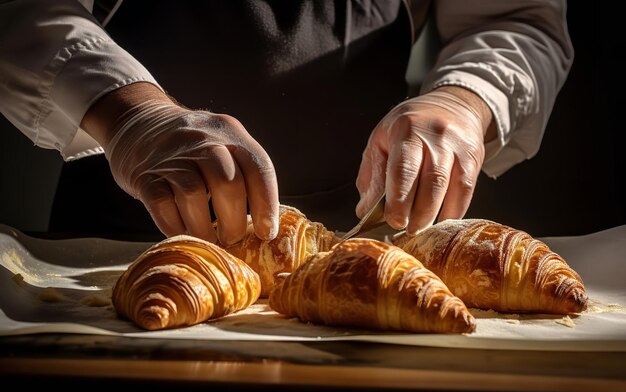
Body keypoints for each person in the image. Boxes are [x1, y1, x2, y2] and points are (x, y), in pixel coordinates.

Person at [0, 0, 573, 245]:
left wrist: (463, 102)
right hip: (117, 238)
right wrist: (136, 117)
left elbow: (517, 17)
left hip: (358, 245)